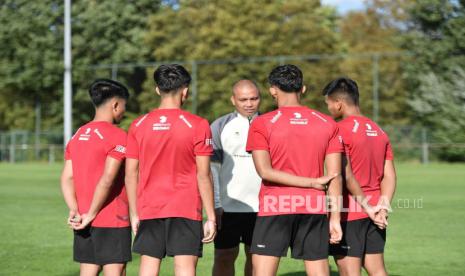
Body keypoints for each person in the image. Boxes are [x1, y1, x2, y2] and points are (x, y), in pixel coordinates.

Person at [246, 64, 343, 276]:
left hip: (275, 206)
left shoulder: (261, 123)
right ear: (303, 89)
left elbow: (265, 171)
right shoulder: (327, 123)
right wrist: (335, 218)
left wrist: (311, 182)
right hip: (314, 207)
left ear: (272, 90)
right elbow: (335, 176)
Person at [125, 64, 216, 276]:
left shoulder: (138, 124)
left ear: (157, 89)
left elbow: (130, 174)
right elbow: (203, 174)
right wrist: (210, 216)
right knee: (184, 267)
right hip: (185, 206)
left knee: (148, 265)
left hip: (149, 206)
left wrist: (134, 213)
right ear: (185, 90)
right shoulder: (198, 124)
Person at [323, 77, 397, 276]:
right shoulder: (380, 131)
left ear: (338, 103)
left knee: (349, 272)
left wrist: (367, 207)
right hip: (375, 211)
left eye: (328, 104)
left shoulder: (339, 130)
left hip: (350, 211)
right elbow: (389, 176)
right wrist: (382, 206)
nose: (329, 108)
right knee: (378, 270)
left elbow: (346, 176)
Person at [60, 79, 131, 276]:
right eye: (124, 105)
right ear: (115, 104)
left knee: (88, 271)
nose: (124, 111)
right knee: (115, 270)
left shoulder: (78, 134)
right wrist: (92, 212)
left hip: (82, 218)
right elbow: (108, 178)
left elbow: (67, 178)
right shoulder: (118, 135)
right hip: (111, 217)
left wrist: (75, 209)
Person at [211, 80, 262, 276]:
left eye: (254, 98)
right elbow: (212, 169)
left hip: (262, 207)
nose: (249, 104)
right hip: (227, 208)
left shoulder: (270, 124)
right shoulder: (219, 126)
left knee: (256, 258)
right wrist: (216, 204)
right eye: (243, 99)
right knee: (224, 256)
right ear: (233, 100)